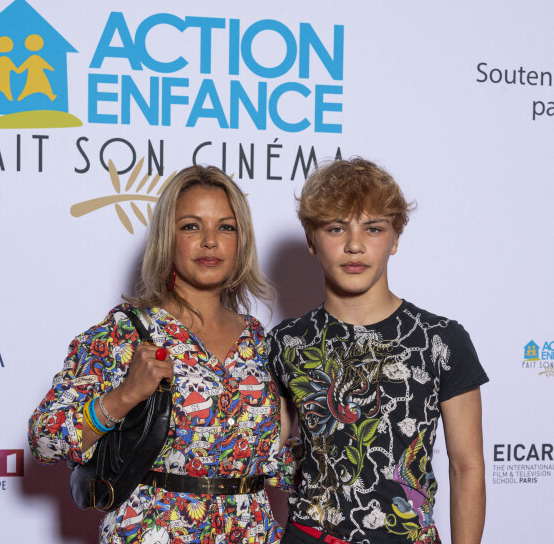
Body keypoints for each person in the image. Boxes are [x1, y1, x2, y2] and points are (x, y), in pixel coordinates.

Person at [29, 165, 296, 544]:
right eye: (191, 226)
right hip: (155, 531)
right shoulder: (124, 333)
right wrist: (124, 396)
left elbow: (265, 463)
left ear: (242, 241)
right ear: (167, 238)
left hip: (251, 532)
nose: (209, 242)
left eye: (226, 227)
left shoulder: (257, 341)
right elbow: (45, 438)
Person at [268, 158, 488, 544]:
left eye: (373, 229)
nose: (354, 245)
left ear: (395, 238)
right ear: (310, 239)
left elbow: (467, 467)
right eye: (336, 228)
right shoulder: (287, 342)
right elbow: (261, 454)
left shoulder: (441, 339)